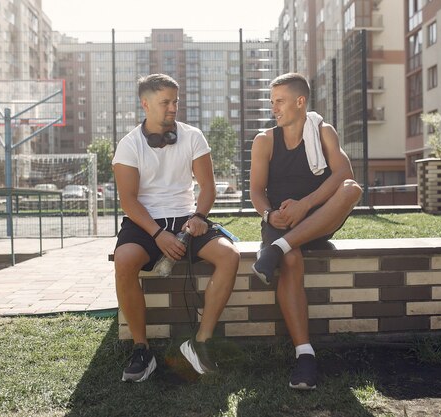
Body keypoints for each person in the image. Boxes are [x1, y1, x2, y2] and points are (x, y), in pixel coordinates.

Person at [112, 73, 240, 382]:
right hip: (145, 223)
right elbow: (128, 201)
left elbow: (208, 188)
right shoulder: (129, 145)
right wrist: (158, 234)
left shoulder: (193, 136)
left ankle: (200, 343)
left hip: (187, 219)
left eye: (176, 101)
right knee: (124, 260)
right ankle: (142, 350)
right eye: (165, 102)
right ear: (145, 104)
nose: (173, 108)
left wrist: (198, 216)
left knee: (230, 256)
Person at [249, 73, 362, 390]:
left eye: (280, 101)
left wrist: (305, 205)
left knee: (352, 189)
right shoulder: (264, 141)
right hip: (279, 222)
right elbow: (256, 191)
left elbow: (344, 173)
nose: (274, 108)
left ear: (301, 102)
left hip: (317, 218)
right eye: (272, 102)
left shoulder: (323, 131)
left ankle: (274, 251)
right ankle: (305, 356)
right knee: (292, 261)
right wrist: (270, 214)